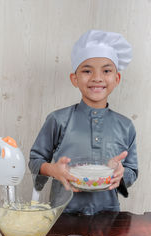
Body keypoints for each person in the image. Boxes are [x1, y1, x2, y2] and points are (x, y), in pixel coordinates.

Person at [29, 29, 138, 215]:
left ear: (117, 78)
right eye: (87, 70)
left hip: (108, 216)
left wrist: (121, 174)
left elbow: (132, 171)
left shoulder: (125, 126)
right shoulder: (58, 119)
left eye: (106, 70)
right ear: (75, 79)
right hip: (62, 213)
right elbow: (35, 160)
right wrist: (53, 170)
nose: (97, 78)